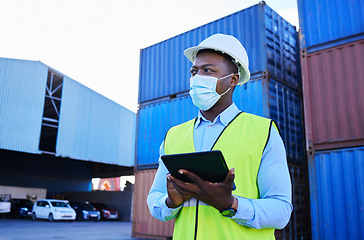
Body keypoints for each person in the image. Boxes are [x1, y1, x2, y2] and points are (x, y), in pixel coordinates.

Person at [147, 33, 292, 240]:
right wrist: (171, 203)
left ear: (232, 80)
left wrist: (230, 204)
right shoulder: (173, 136)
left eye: (208, 70)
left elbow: (281, 211)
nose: (197, 78)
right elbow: (155, 198)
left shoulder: (264, 132)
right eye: (194, 71)